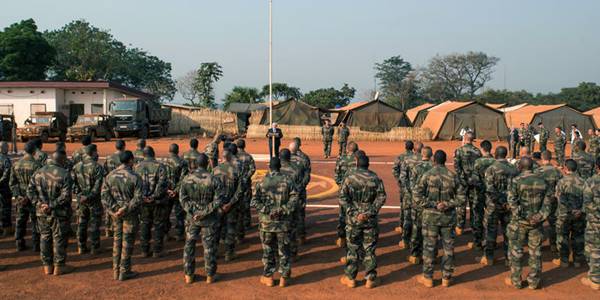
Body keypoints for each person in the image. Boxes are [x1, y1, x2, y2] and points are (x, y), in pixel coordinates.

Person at [414, 150, 462, 288]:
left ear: (434, 160)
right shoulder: (453, 176)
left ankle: (428, 277)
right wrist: (447, 204)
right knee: (448, 248)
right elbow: (461, 198)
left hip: (430, 218)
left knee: (429, 248)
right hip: (448, 218)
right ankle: (446, 277)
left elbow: (417, 196)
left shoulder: (427, 176)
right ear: (445, 160)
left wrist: (433, 204)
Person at [180, 153, 229, 284]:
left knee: (189, 245)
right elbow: (219, 200)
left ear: (195, 164)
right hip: (209, 219)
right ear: (207, 163)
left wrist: (194, 211)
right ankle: (210, 275)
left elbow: (182, 199)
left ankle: (189, 275)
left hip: (192, 218)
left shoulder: (187, 179)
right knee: (209, 247)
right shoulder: (213, 179)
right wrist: (204, 212)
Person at [339, 154, 386, 289]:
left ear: (356, 163)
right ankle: (370, 278)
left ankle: (351, 278)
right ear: (368, 164)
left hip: (353, 221)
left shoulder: (349, 178)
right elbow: (381, 197)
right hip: (370, 221)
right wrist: (369, 212)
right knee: (369, 249)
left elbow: (342, 198)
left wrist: (355, 213)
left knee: (352, 249)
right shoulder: (375, 178)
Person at [505, 157, 551, 290]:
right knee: (535, 253)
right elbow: (548, 203)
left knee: (516, 252)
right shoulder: (543, 181)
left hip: (519, 223)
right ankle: (534, 281)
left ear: (520, 166)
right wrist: (538, 217)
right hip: (536, 223)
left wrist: (525, 216)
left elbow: (512, 203)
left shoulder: (516, 181)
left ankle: (516, 280)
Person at [252, 157, 298, 287]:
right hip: (283, 223)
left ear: (269, 167)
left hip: (266, 223)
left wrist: (267, 210)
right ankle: (284, 277)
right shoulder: (288, 181)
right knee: (284, 251)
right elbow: (294, 199)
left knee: (268, 250)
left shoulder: (261, 181)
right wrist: (282, 210)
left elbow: (255, 201)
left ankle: (269, 277)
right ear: (280, 167)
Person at [28, 150, 73, 275]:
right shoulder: (64, 174)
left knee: (45, 237)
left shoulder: (38, 172)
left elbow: (30, 191)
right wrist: (51, 205)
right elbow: (65, 197)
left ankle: (47, 266)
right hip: (59, 213)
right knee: (59, 238)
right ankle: (59, 266)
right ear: (62, 160)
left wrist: (40, 204)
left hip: (41, 212)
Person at [102, 150, 143, 281]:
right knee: (127, 242)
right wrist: (125, 209)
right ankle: (124, 271)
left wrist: (115, 209)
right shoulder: (135, 177)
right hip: (129, 214)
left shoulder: (110, 176)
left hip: (115, 215)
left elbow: (104, 195)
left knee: (117, 241)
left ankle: (116, 270)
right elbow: (138, 198)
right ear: (130, 160)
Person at [479, 146, 519, 266]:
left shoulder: (491, 169)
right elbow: (516, 188)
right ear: (505, 154)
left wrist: (499, 202)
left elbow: (490, 189)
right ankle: (508, 258)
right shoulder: (514, 169)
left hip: (494, 205)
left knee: (491, 231)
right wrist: (507, 203)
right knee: (508, 232)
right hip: (509, 206)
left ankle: (489, 257)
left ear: (495, 154)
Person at [135, 146, 168, 258]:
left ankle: (144, 250)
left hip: (143, 202)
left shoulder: (137, 167)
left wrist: (143, 197)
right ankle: (157, 251)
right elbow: (162, 185)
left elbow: (136, 185)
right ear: (153, 154)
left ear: (143, 155)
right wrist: (154, 197)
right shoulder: (160, 166)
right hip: (157, 202)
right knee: (158, 225)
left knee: (145, 224)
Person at [212, 143, 243, 262]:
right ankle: (229, 253)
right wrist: (231, 203)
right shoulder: (235, 171)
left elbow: (210, 189)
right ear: (230, 157)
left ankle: (214, 251)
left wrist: (218, 204)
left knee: (216, 228)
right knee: (231, 228)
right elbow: (240, 190)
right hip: (232, 205)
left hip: (218, 205)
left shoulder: (214, 171)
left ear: (222, 157)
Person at [72, 144, 105, 255]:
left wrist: (80, 195)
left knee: (82, 223)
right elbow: (97, 186)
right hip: (93, 201)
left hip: (81, 200)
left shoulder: (76, 167)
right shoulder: (97, 167)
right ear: (93, 152)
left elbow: (73, 184)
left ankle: (81, 246)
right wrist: (88, 196)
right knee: (95, 225)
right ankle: (95, 247)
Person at [553, 159, 586, 268]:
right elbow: (587, 199)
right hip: (579, 215)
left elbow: (559, 198)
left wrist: (570, 210)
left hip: (564, 215)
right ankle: (577, 260)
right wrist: (580, 210)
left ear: (566, 168)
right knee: (578, 237)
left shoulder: (561, 182)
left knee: (563, 237)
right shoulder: (583, 181)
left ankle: (564, 261)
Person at [10, 141, 42, 251]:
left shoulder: (16, 164)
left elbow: (12, 183)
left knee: (20, 221)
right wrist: (29, 197)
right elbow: (39, 185)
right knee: (35, 222)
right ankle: (36, 245)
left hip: (20, 199)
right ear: (34, 151)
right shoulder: (37, 165)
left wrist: (18, 196)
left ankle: (19, 243)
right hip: (33, 198)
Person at [407, 146, 433, 264]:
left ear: (421, 154)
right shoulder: (435, 168)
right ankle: (431, 254)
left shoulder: (416, 168)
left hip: (418, 203)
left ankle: (415, 254)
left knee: (416, 228)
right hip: (431, 203)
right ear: (431, 155)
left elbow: (412, 186)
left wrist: (418, 199)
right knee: (431, 230)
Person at [454, 132, 482, 236]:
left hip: (462, 182)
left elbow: (457, 167)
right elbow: (479, 168)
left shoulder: (459, 150)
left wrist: (461, 179)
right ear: (472, 139)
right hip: (474, 182)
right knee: (473, 205)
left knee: (461, 205)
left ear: (465, 139)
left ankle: (460, 227)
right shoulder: (477, 151)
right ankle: (474, 226)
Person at [535, 151, 563, 254]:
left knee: (538, 223)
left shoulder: (538, 171)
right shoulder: (557, 171)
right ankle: (553, 245)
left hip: (541, 201)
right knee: (553, 223)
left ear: (542, 158)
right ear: (550, 158)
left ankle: (538, 245)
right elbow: (560, 187)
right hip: (553, 200)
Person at [470, 140, 496, 251]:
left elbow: (475, 180)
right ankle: (491, 242)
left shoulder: (478, 162)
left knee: (478, 217)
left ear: (482, 149)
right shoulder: (495, 162)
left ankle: (477, 242)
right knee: (491, 218)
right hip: (492, 195)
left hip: (480, 193)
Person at [334, 141, 359, 249]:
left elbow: (336, 176)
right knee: (356, 212)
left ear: (347, 149)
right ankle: (355, 237)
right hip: (357, 190)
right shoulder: (358, 159)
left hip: (344, 190)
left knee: (343, 213)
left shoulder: (341, 159)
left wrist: (341, 185)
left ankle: (342, 238)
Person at [279, 149, 303, 260]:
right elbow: (300, 185)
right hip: (293, 203)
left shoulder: (276, 169)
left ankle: (280, 253)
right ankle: (293, 253)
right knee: (293, 228)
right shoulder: (296, 169)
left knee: (279, 229)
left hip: (279, 203)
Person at [163, 143, 189, 242]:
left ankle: (166, 233)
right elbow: (183, 179)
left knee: (166, 213)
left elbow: (162, 178)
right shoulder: (182, 162)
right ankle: (179, 235)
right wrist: (175, 190)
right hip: (177, 193)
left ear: (169, 151)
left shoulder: (163, 162)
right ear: (177, 151)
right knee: (179, 214)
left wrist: (167, 190)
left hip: (166, 192)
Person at [398, 141, 421, 250]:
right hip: (422, 195)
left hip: (408, 193)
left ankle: (405, 240)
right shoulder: (428, 162)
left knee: (407, 217)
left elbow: (402, 177)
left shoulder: (407, 160)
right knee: (420, 219)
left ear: (414, 149)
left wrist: (407, 190)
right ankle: (418, 241)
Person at [582, 158, 600, 290]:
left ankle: (595, 279)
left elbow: (587, 204)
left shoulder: (591, 182)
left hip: (595, 221)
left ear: (597, 167)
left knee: (593, 249)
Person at [103, 139, 126, 237]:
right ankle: (122, 228)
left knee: (109, 206)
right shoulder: (125, 157)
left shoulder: (109, 158)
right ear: (124, 147)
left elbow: (104, 172)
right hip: (122, 185)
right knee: (122, 205)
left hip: (110, 184)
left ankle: (108, 229)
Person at [289, 139, 310, 244]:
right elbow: (307, 176)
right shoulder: (304, 158)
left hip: (286, 192)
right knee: (300, 213)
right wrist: (301, 187)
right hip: (299, 191)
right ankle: (301, 236)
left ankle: (290, 236)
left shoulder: (283, 159)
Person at [392, 141, 416, 234]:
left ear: (405, 147)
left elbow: (394, 169)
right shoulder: (418, 157)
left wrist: (399, 180)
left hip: (404, 185)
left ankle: (402, 226)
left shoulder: (400, 157)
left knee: (403, 206)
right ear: (413, 148)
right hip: (416, 186)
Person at [235, 139, 256, 238]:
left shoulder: (234, 157)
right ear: (244, 146)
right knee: (246, 202)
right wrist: (246, 177)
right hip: (246, 183)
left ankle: (237, 222)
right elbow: (253, 168)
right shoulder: (248, 156)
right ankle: (247, 222)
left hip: (236, 184)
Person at [0, 141, 12, 237]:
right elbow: (7, 174)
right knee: (6, 208)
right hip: (4, 188)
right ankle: (6, 228)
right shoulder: (6, 160)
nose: (8, 149)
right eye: (6, 147)